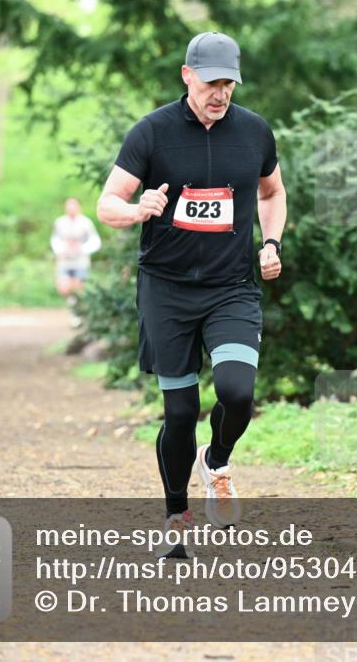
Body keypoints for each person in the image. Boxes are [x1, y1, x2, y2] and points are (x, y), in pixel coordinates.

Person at [97, 31, 286, 556]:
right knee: (179, 413)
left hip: (231, 288)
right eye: (210, 83)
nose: (219, 93)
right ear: (187, 76)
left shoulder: (253, 133)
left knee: (237, 392)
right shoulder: (152, 133)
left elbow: (273, 191)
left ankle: (218, 459)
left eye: (228, 83)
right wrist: (138, 210)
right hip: (168, 290)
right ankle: (176, 513)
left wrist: (271, 242)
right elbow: (107, 203)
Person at [51, 197, 102, 308]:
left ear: (79, 207)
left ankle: (76, 311)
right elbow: (55, 239)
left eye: (73, 205)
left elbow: (95, 240)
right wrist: (61, 250)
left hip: (80, 261)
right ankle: (72, 303)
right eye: (69, 205)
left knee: (79, 288)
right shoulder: (60, 222)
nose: (71, 208)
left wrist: (82, 249)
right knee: (63, 288)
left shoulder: (86, 223)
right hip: (64, 261)